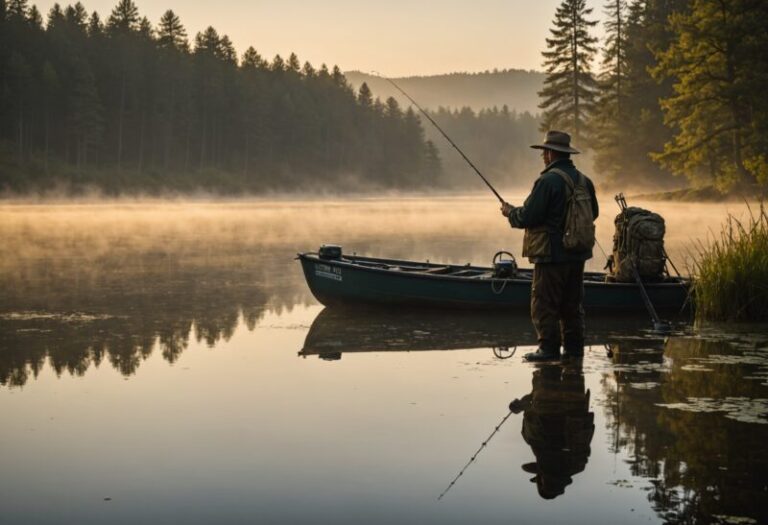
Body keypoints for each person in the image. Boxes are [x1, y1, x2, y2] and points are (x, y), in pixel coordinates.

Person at [501, 130, 598, 361]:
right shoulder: (585, 180)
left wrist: (509, 212)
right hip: (578, 254)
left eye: (544, 151)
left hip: (551, 255)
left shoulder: (547, 181)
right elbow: (593, 213)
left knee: (544, 304)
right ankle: (574, 350)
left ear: (552, 153)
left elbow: (527, 216)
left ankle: (548, 349)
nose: (543, 156)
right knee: (572, 306)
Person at [508, 361, 595, 499]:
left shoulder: (579, 461)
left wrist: (523, 404)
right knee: (549, 356)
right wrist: (520, 406)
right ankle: (549, 343)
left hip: (574, 389)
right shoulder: (533, 439)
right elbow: (533, 410)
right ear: (541, 478)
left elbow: (532, 406)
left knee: (573, 355)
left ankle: (568, 343)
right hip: (549, 391)